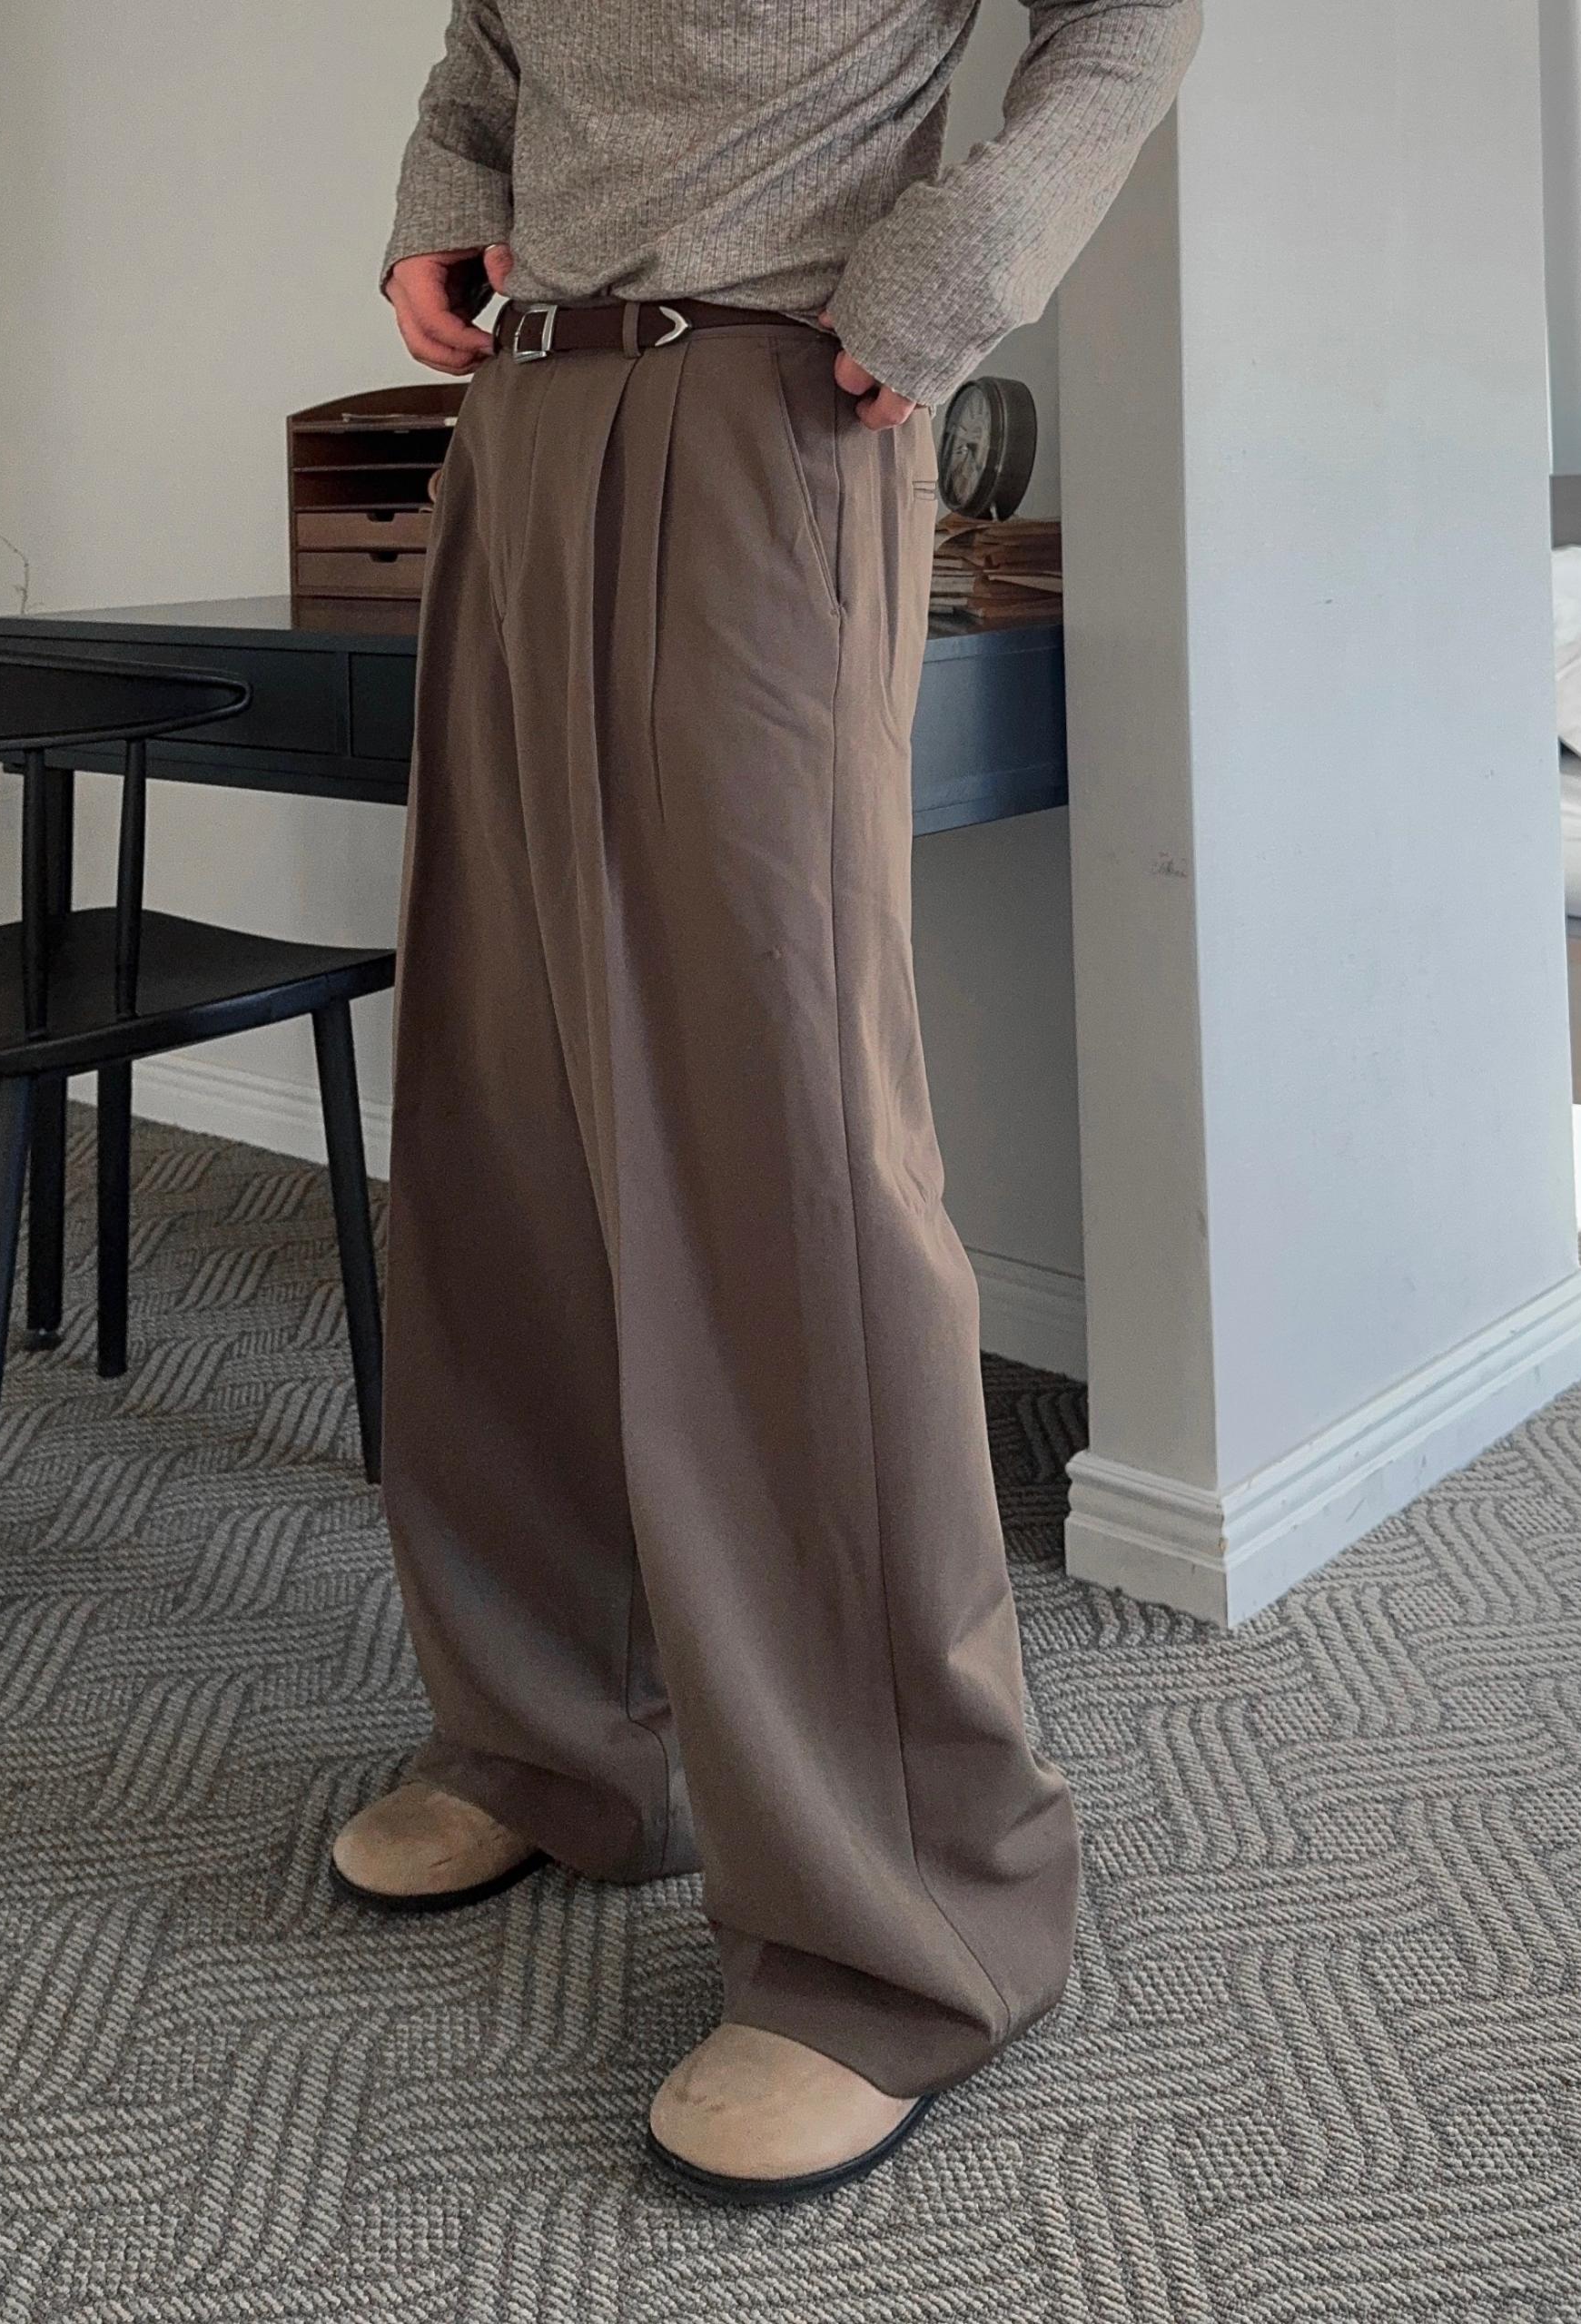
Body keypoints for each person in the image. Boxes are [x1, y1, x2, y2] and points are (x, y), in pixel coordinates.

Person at [332, 0, 1201, 2207]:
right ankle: (550, 1730)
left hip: (773, 396)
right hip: (529, 411)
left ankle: (904, 1918)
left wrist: (962, 254)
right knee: (506, 1109)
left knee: (779, 1156)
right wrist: (445, 199)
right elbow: (491, 39)